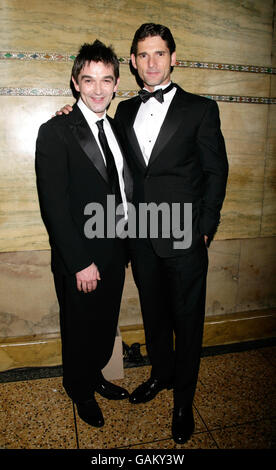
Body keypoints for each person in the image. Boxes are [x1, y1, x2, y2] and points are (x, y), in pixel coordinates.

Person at [56, 23, 228, 444]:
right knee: (154, 318)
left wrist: (204, 229)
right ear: (132, 62)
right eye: (143, 54)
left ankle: (183, 400)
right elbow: (96, 142)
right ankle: (160, 375)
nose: (151, 62)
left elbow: (216, 172)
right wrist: (69, 113)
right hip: (142, 240)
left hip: (186, 239)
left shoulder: (201, 109)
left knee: (187, 322)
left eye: (159, 53)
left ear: (173, 58)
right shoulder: (125, 112)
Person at [35, 40, 132, 428]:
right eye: (88, 80)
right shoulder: (55, 131)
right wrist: (80, 262)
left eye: (105, 80)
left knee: (104, 325)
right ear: (75, 82)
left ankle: (94, 376)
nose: (97, 89)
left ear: (116, 83)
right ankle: (79, 390)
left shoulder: (119, 128)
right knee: (78, 329)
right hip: (81, 260)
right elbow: (54, 208)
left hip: (116, 250)